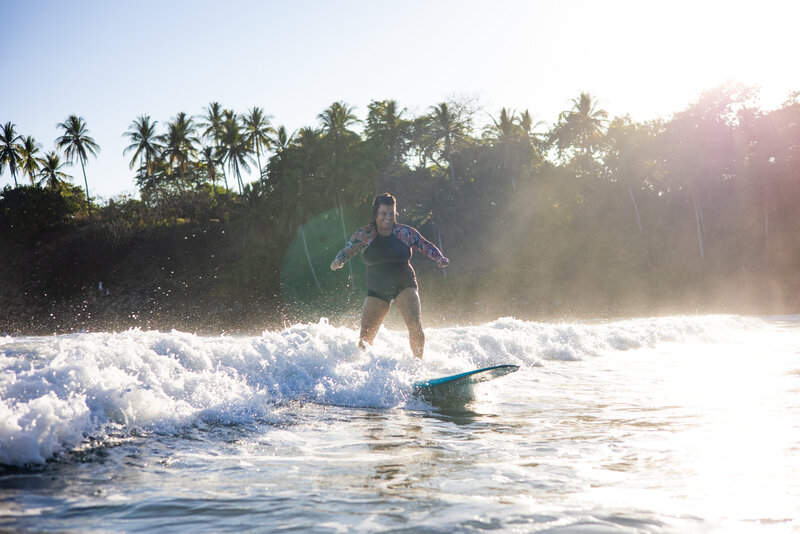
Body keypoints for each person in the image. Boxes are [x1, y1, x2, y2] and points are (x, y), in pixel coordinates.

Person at [330, 193, 449, 359]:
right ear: (375, 214)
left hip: (404, 284)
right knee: (365, 337)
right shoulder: (364, 234)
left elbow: (425, 245)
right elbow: (348, 250)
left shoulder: (404, 232)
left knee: (415, 325)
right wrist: (338, 260)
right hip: (377, 290)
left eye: (391, 214)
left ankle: (418, 365)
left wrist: (438, 257)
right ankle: (363, 373)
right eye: (384, 214)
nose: (388, 218)